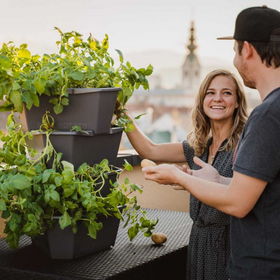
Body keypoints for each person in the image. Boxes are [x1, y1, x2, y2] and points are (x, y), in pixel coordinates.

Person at [142, 5, 280, 280]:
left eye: (235, 50)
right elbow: (263, 191)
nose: (234, 58)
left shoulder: (266, 116)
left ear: (248, 49)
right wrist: (215, 180)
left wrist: (179, 178)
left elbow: (239, 203)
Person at [121, 69, 248, 280]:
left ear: (237, 102)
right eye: (210, 92)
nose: (217, 98)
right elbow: (150, 150)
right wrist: (121, 113)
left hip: (231, 244)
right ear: (202, 101)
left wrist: (183, 178)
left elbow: (246, 191)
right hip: (198, 242)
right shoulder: (198, 146)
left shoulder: (245, 144)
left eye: (226, 93)